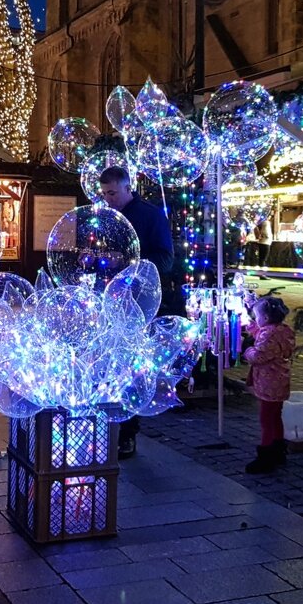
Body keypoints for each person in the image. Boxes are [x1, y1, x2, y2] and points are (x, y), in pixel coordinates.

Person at [99, 166, 174, 459]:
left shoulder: (151, 216)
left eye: (112, 193)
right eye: (104, 193)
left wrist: (131, 262)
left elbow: (166, 260)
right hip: (109, 300)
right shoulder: (107, 216)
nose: (108, 199)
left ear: (128, 188)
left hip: (137, 303)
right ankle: (110, 424)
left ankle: (128, 433)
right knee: (109, 363)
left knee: (129, 366)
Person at [242, 296, 295, 474]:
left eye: (257, 317)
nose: (255, 320)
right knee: (275, 417)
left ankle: (265, 457)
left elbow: (259, 356)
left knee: (266, 420)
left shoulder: (269, 335)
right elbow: (260, 332)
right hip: (279, 383)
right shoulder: (282, 331)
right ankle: (278, 449)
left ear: (265, 319)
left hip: (268, 384)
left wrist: (247, 351)